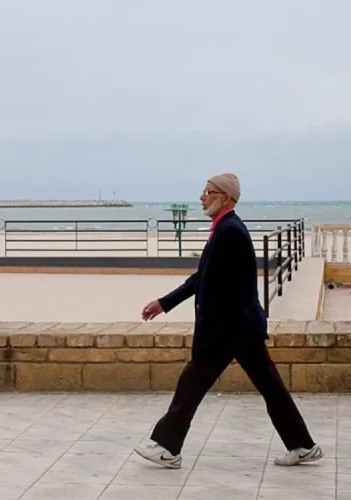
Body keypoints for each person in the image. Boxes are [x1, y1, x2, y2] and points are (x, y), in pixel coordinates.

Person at [133, 173, 322, 469]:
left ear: (226, 198)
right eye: (204, 191)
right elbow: (203, 279)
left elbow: (226, 288)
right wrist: (164, 303)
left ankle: (168, 448)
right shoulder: (223, 228)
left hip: (229, 330)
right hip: (239, 328)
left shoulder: (230, 231)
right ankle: (302, 445)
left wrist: (213, 328)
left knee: (191, 385)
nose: (201, 197)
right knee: (270, 387)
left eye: (208, 192)